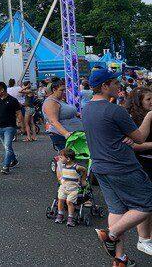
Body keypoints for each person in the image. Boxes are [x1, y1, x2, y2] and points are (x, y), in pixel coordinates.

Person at [82, 70, 152, 266]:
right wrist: (149, 117)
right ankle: (109, 235)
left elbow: (109, 133)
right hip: (122, 166)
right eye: (114, 83)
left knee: (117, 210)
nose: (118, 86)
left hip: (100, 167)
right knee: (146, 204)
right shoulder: (115, 111)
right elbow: (139, 138)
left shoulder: (87, 108)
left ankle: (119, 259)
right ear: (105, 86)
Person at [125, 86, 152, 256]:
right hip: (143, 164)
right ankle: (144, 239)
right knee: (146, 203)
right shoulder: (133, 119)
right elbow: (133, 145)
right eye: (148, 99)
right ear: (139, 102)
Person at [0, 82, 23, 174]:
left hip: (10, 127)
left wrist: (20, 122)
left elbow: (18, 112)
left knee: (7, 147)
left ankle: (5, 166)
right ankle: (14, 160)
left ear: (2, 90)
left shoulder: (13, 100)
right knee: (7, 147)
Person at [42, 79, 82, 151]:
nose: (64, 92)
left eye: (65, 90)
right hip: (63, 137)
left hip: (75, 135)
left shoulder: (60, 100)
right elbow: (53, 121)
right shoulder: (50, 102)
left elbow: (71, 113)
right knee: (69, 160)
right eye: (61, 90)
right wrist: (66, 134)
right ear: (54, 90)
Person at [54, 148, 87, 227]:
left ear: (68, 159)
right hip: (64, 187)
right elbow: (61, 174)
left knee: (69, 202)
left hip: (73, 189)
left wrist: (83, 180)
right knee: (60, 200)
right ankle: (60, 214)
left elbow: (84, 170)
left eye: (61, 157)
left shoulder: (76, 167)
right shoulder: (63, 166)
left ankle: (70, 218)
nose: (60, 158)